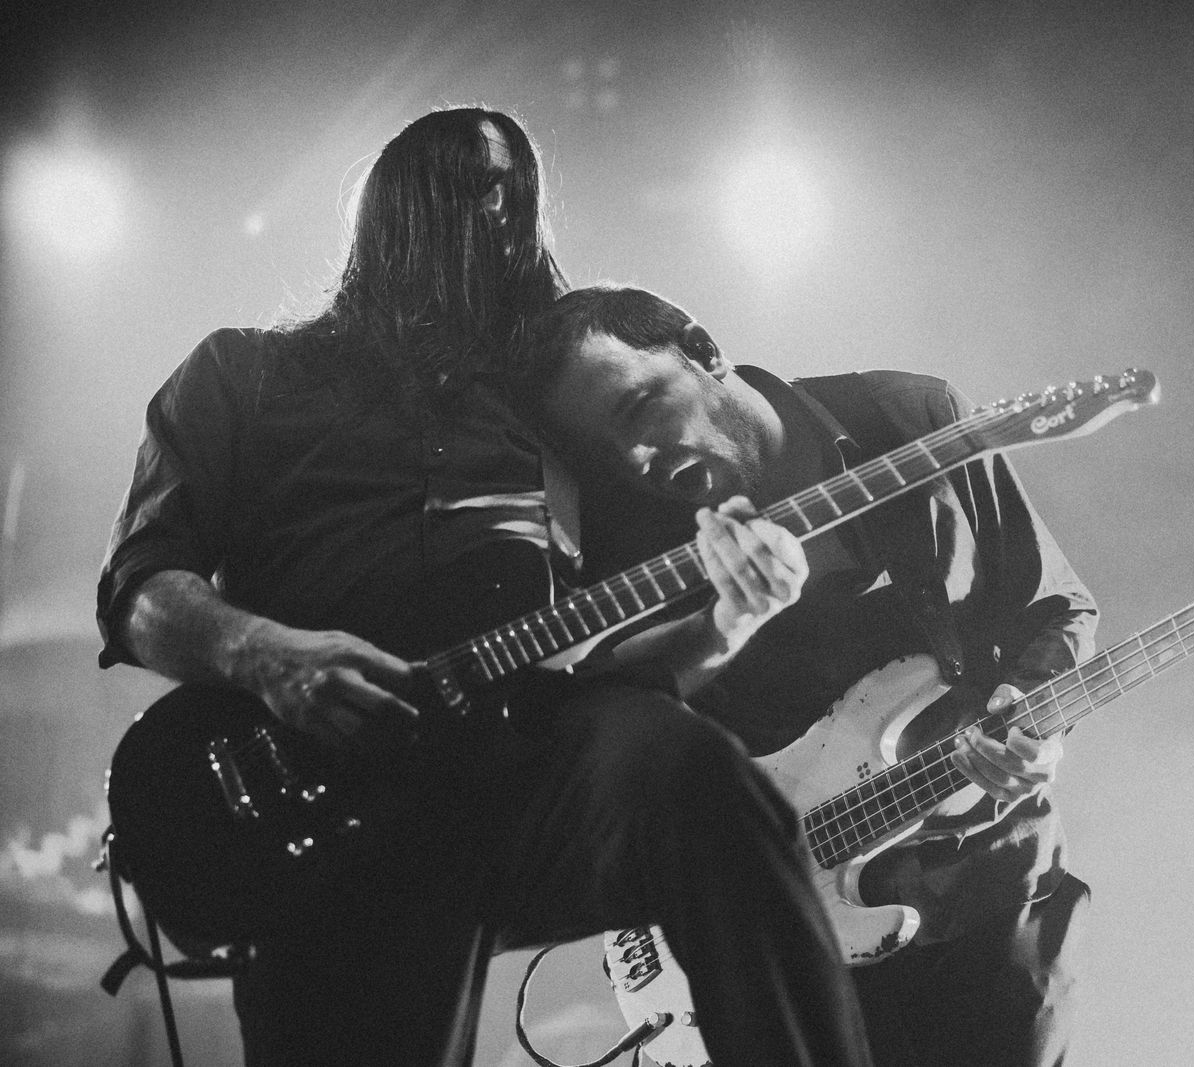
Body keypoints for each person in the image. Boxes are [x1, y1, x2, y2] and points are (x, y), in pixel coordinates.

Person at [96, 109, 873, 1067]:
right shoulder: (242, 373)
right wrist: (265, 656)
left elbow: (613, 668)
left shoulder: (553, 427)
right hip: (321, 805)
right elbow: (138, 589)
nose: (499, 216)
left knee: (695, 774)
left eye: (516, 198)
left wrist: (726, 620)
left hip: (520, 775)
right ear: (390, 207)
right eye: (470, 186)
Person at [526, 284, 1100, 1067]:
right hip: (795, 940)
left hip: (991, 887)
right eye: (604, 449)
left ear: (701, 350)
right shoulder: (633, 548)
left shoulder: (908, 418)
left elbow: (1056, 605)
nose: (634, 459)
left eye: (636, 409)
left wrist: (1029, 714)